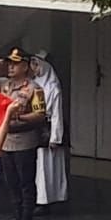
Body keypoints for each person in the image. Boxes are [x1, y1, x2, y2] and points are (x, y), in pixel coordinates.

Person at [0, 49, 46, 220]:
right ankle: (17, 215)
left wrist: (18, 117)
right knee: (11, 181)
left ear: (25, 66)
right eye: (9, 64)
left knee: (26, 182)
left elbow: (40, 115)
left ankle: (26, 219)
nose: (10, 67)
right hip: (6, 141)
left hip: (24, 141)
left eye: (15, 64)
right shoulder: (4, 85)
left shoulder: (34, 88)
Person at [32, 53, 68, 210]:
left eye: (36, 64)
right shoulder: (33, 84)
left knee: (46, 165)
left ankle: (46, 200)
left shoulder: (53, 87)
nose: (34, 68)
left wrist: (55, 137)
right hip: (35, 127)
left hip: (48, 129)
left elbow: (56, 114)